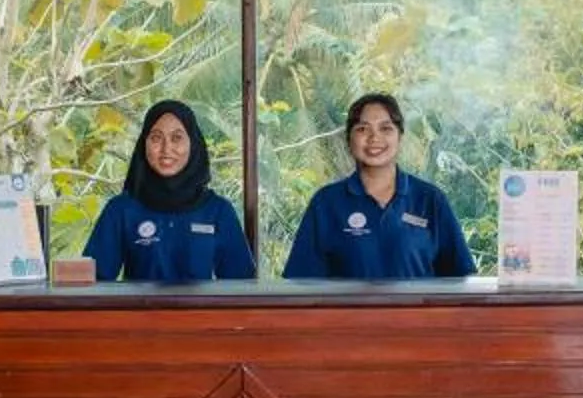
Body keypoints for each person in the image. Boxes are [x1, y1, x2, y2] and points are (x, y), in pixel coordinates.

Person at [281, 92, 475, 281]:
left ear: (400, 137)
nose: (374, 138)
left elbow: (459, 280)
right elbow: (302, 284)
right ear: (349, 139)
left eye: (386, 128)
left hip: (417, 315)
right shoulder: (325, 203)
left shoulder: (430, 199)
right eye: (363, 129)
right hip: (347, 315)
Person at [83, 100, 257, 283]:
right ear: (144, 144)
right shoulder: (121, 210)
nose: (166, 149)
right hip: (138, 312)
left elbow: (241, 286)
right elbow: (94, 284)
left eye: (177, 138)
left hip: (203, 312)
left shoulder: (218, 211)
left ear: (193, 144)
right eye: (157, 138)